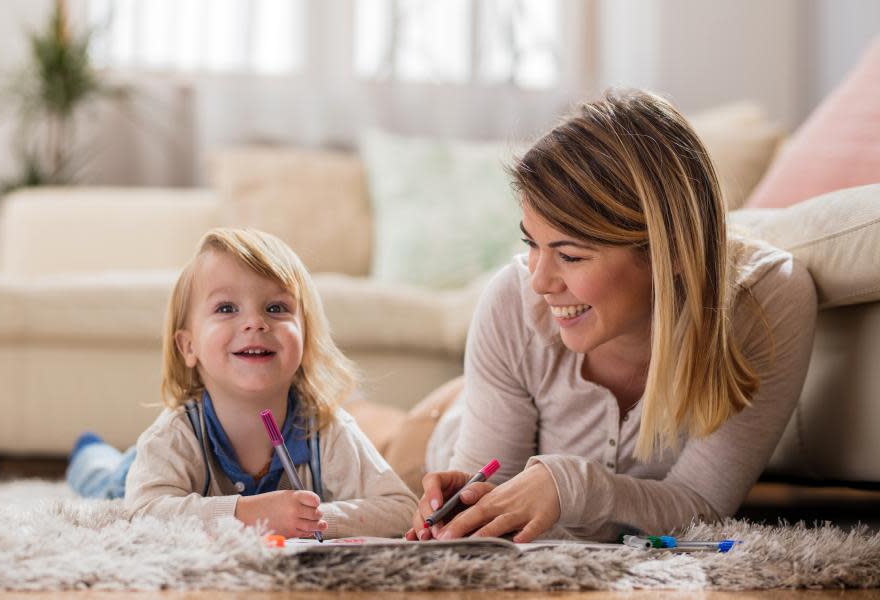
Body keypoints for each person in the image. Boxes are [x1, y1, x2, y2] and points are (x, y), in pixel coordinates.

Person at [405, 89, 818, 543]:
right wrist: (469, 507)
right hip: (443, 423)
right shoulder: (511, 299)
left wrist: (575, 486)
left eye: (571, 256)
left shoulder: (765, 302)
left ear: (671, 252)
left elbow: (702, 508)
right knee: (364, 438)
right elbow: (489, 504)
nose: (539, 282)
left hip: (498, 395)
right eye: (531, 244)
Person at [67, 228, 417, 539]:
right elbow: (143, 510)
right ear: (189, 346)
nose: (255, 322)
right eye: (226, 308)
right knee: (104, 480)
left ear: (306, 338)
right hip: (138, 472)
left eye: (277, 308)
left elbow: (401, 508)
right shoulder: (173, 435)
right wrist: (249, 515)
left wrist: (311, 518)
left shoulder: (327, 428)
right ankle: (90, 452)